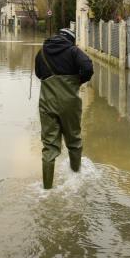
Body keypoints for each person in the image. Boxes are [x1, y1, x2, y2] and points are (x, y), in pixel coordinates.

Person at [34, 27, 94, 189]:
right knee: (74, 140)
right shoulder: (73, 51)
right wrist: (79, 80)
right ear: (71, 40)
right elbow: (88, 67)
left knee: (49, 146)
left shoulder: (42, 53)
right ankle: (76, 179)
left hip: (47, 103)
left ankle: (47, 189)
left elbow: (38, 74)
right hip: (70, 103)